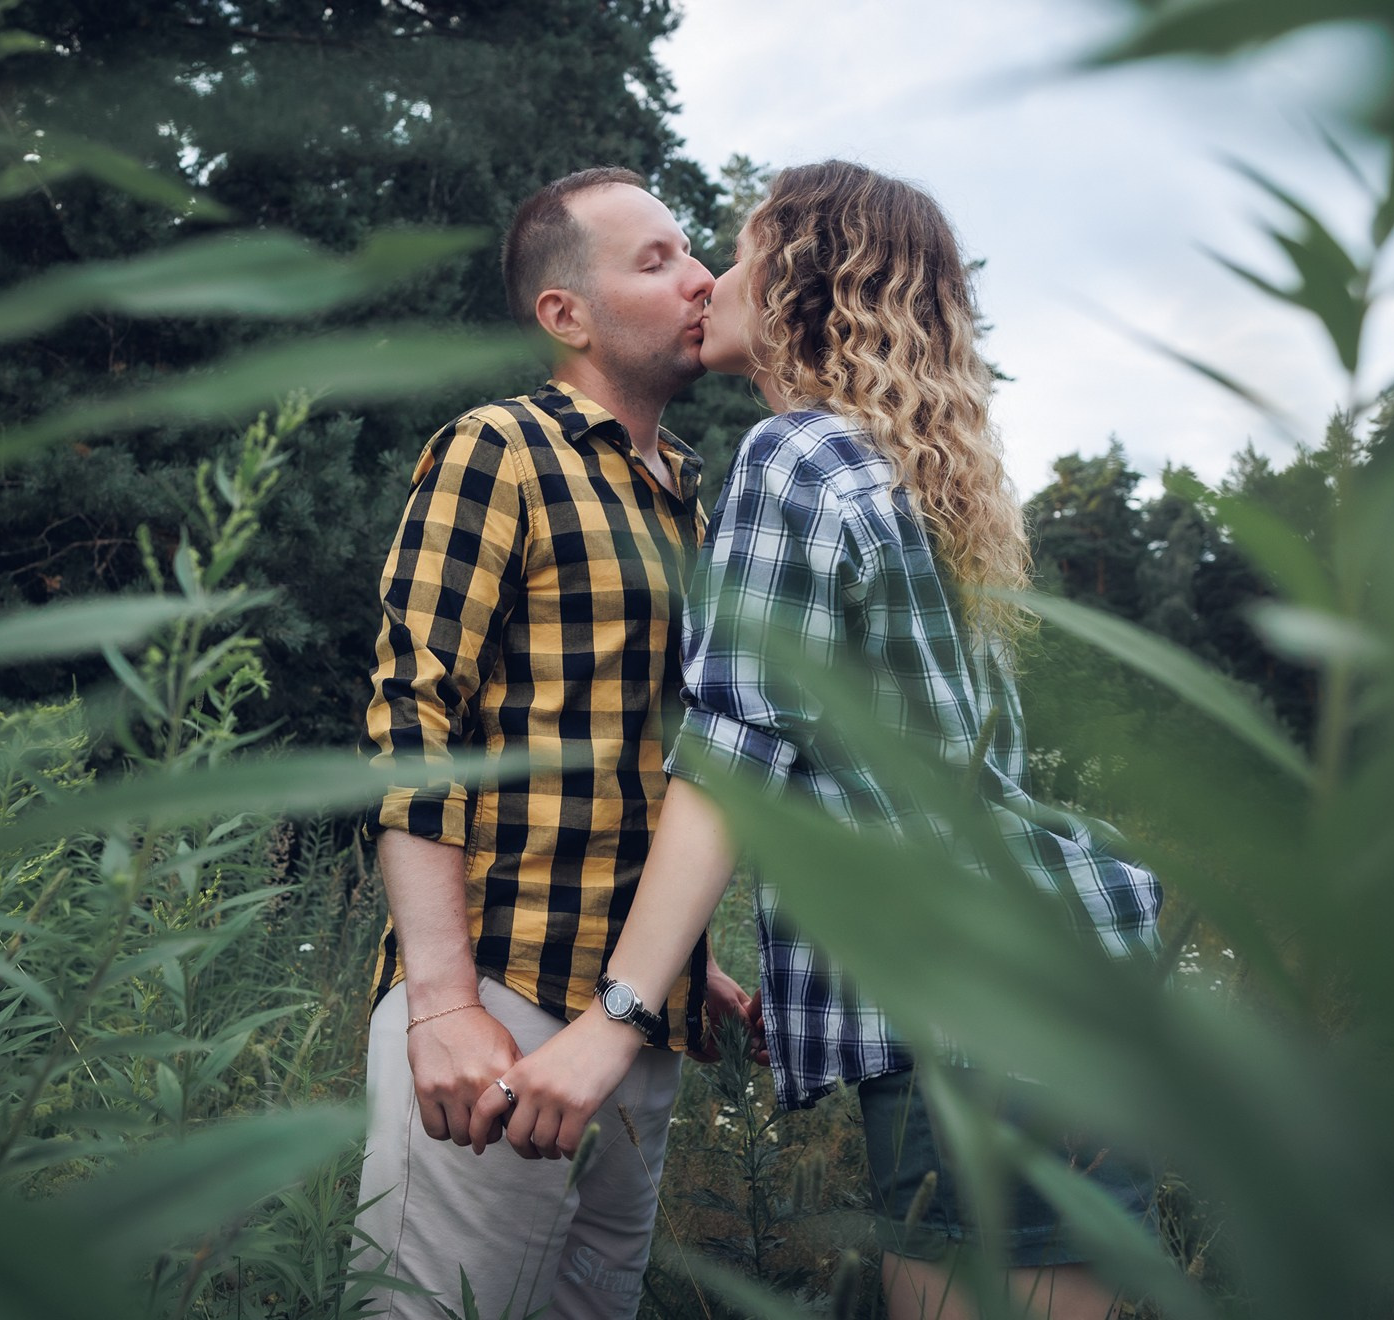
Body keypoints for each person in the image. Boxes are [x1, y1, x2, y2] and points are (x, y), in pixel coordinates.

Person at [476, 161, 1164, 1320]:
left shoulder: (794, 458)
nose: (710, 280)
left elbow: (731, 756)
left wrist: (615, 1023)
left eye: (737, 253)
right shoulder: (914, 479)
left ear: (800, 283)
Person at [354, 166, 754, 1319]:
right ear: (564, 315)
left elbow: (656, 757)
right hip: (502, 996)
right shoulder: (501, 450)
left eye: (694, 252)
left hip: (631, 1025)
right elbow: (411, 717)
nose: (701, 279)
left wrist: (689, 965)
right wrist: (440, 1002)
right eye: (657, 259)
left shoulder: (687, 492)